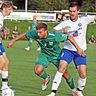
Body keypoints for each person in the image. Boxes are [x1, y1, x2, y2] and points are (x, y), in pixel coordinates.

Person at [7, 23, 84, 96]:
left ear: (45, 31)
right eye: (37, 32)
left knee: (65, 74)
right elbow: (25, 34)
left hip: (56, 56)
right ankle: (46, 77)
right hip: (44, 54)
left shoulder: (54, 36)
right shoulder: (35, 34)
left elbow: (69, 37)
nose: (38, 34)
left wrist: (78, 48)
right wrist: (13, 41)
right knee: (37, 70)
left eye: (40, 32)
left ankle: (74, 90)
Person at [47, 1, 96, 96]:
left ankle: (79, 91)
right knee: (61, 68)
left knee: (83, 74)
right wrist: (62, 30)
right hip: (68, 50)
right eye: (70, 11)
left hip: (80, 51)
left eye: (74, 11)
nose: (72, 13)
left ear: (78, 11)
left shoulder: (84, 20)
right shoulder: (65, 23)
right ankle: (53, 93)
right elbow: (52, 31)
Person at [0, 0, 17, 95]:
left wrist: (2, 31)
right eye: (10, 9)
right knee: (2, 62)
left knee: (6, 62)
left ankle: (4, 87)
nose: (11, 12)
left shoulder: (2, 17)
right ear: (5, 8)